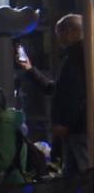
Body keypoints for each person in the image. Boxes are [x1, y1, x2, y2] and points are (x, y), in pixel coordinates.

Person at [19, 14, 88, 175]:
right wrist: (30, 70)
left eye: (60, 34)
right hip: (77, 129)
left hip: (78, 130)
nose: (59, 40)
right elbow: (58, 90)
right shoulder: (79, 55)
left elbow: (74, 93)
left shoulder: (77, 57)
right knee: (75, 176)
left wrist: (64, 123)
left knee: (82, 177)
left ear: (69, 32)